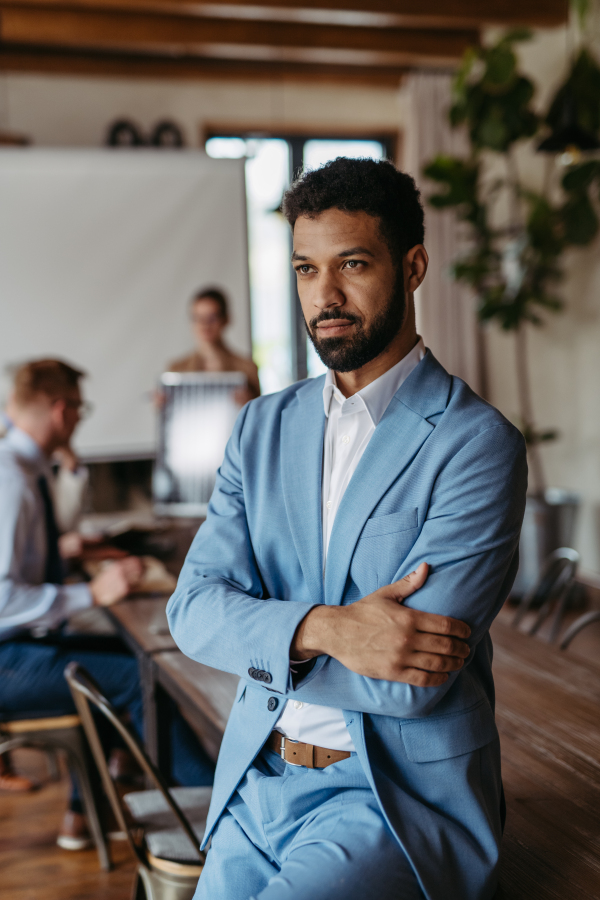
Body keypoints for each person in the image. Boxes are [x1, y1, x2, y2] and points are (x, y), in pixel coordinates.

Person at [167, 158, 527, 900]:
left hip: (390, 803)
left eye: (352, 264)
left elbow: (411, 685)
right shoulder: (260, 429)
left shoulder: (476, 443)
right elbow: (192, 615)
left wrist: (260, 634)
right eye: (305, 269)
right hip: (254, 784)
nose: (323, 296)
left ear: (413, 265)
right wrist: (328, 629)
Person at [0, 359, 214, 848]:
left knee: (131, 657)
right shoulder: (11, 480)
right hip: (6, 659)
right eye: (79, 409)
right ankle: (218, 805)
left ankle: (85, 811)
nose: (79, 421)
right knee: (139, 679)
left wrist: (76, 551)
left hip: (22, 645)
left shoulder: (24, 470)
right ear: (61, 410)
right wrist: (93, 592)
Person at [167, 287, 261, 402]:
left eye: (212, 318)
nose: (204, 325)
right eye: (198, 318)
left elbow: (260, 415)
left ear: (226, 319)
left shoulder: (247, 368)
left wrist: (249, 402)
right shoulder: (176, 370)